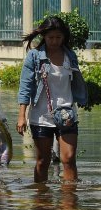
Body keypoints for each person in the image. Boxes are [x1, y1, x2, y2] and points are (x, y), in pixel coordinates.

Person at [16, 16, 87, 183]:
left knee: (69, 159)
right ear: (43, 37)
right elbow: (25, 87)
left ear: (64, 37)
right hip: (41, 117)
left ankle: (69, 202)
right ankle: (41, 201)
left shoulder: (70, 55)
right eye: (50, 37)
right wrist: (21, 116)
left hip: (67, 114)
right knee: (43, 160)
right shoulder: (34, 57)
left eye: (58, 37)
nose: (55, 41)